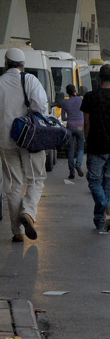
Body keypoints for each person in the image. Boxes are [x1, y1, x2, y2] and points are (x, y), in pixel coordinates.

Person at [0, 48, 48, 242]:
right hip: (30, 139)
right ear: (22, 65)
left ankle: (17, 231)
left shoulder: (0, 83)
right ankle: (28, 212)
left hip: (5, 141)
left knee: (14, 184)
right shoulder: (29, 80)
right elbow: (42, 106)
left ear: (6, 63)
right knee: (36, 179)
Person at [80, 64, 110, 232]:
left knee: (94, 180)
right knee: (107, 183)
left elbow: (86, 122)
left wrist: (87, 139)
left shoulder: (89, 97)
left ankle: (104, 207)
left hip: (96, 145)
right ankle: (100, 219)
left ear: (99, 77)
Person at [60, 84, 84, 180]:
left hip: (70, 126)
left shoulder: (65, 103)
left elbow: (63, 118)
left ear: (67, 92)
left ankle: (72, 173)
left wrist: (69, 117)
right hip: (80, 126)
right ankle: (78, 163)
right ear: (75, 91)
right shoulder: (80, 100)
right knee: (81, 147)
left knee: (70, 149)